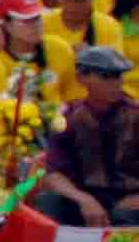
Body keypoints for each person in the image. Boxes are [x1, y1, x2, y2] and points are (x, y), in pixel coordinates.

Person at [37, 44, 139, 226]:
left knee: (123, 216)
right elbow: (54, 174)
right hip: (88, 197)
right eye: (106, 77)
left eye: (118, 76)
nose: (115, 84)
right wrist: (84, 200)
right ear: (81, 78)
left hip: (131, 200)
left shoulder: (136, 114)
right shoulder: (68, 117)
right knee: (48, 202)